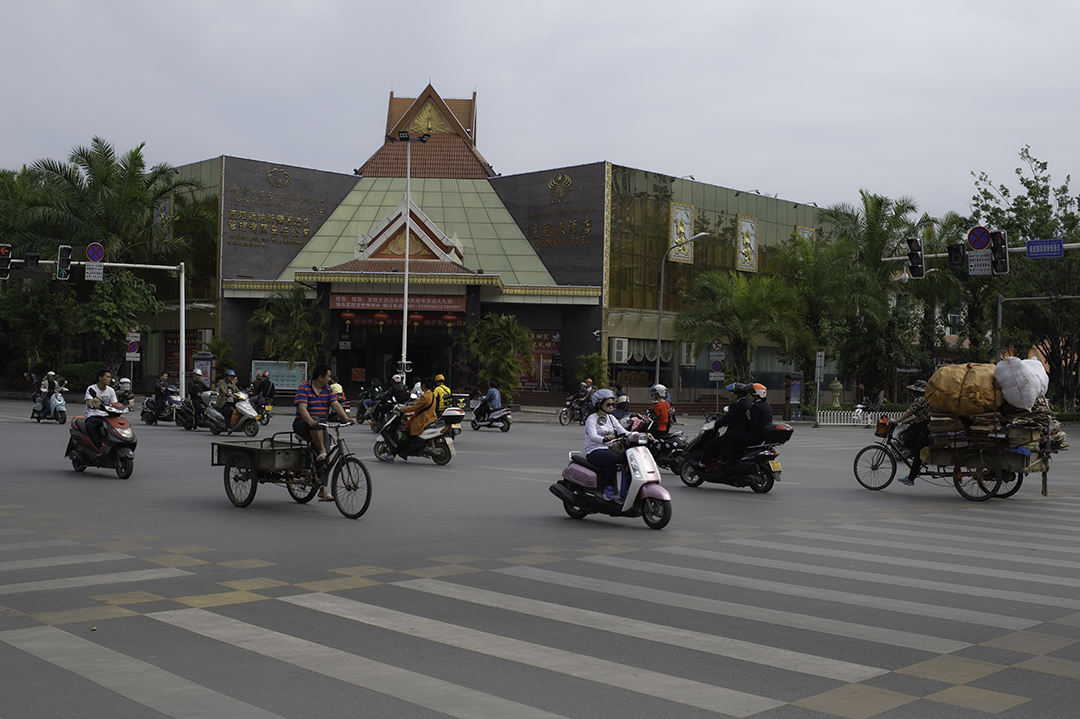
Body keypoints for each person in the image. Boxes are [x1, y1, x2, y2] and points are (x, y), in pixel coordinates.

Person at [294, 364, 352, 501]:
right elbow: (302, 409)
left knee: (325, 460)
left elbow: (335, 405)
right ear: (320, 377)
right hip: (303, 424)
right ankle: (321, 449)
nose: (330, 379)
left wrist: (346, 418)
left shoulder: (327, 389)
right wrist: (311, 421)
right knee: (322, 446)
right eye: (328, 376)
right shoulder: (304, 388)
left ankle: (323, 490)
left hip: (320, 427)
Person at [584, 388, 630, 501]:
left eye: (613, 404)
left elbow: (623, 431)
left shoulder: (611, 418)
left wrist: (641, 435)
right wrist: (604, 439)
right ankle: (608, 489)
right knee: (611, 457)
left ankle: (628, 488)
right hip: (594, 451)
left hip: (609, 449)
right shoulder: (592, 418)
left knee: (630, 455)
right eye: (608, 404)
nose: (611, 407)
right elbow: (593, 436)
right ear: (599, 404)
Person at [889, 379, 931, 486]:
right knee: (914, 445)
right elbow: (918, 415)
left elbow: (909, 412)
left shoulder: (920, 400)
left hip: (923, 428)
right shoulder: (926, 399)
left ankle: (911, 477)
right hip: (923, 426)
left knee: (917, 451)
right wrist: (905, 421)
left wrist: (896, 420)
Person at [389, 376, 438, 460]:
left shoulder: (425, 397)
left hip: (422, 420)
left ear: (423, 385)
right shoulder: (432, 395)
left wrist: (401, 409)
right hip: (431, 418)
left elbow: (414, 407)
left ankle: (393, 455)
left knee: (406, 433)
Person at [707, 383, 755, 466]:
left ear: (738, 395)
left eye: (734, 394)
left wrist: (715, 426)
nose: (733, 396)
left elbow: (726, 418)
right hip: (744, 433)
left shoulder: (736, 405)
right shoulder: (749, 404)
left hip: (735, 434)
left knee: (711, 444)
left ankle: (704, 464)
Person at [84, 368, 118, 453]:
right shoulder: (91, 388)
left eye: (110, 377)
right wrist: (93, 405)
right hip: (93, 415)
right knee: (89, 425)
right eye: (107, 377)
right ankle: (99, 447)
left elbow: (114, 404)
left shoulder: (111, 390)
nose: (109, 379)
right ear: (100, 378)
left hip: (106, 416)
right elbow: (89, 403)